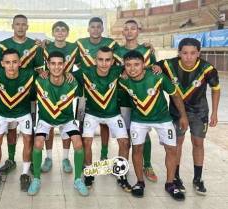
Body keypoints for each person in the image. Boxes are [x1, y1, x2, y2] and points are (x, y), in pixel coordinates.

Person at [118, 50, 188, 201]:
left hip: (163, 119)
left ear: (144, 65)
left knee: (171, 149)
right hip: (139, 120)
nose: (132, 68)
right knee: (137, 149)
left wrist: (183, 116)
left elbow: (175, 95)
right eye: (128, 65)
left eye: (137, 64)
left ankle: (170, 184)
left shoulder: (158, 76)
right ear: (124, 66)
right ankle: (139, 182)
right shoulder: (123, 80)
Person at [157, 38, 221, 195]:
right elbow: (152, 66)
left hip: (200, 112)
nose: (188, 57)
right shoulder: (168, 65)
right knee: (177, 144)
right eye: (184, 53)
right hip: (177, 113)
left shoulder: (208, 69)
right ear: (179, 53)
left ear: (198, 53)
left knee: (198, 143)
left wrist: (214, 112)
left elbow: (216, 89)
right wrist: (155, 66)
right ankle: (176, 177)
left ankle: (198, 178)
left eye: (193, 53)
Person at [28, 51, 88, 196]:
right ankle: (36, 179)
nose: (56, 67)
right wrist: (33, 120)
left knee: (78, 143)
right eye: (53, 63)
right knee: (37, 143)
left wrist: (79, 120)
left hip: (66, 119)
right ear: (47, 65)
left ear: (64, 65)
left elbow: (82, 100)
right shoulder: (39, 80)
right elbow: (32, 100)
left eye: (60, 63)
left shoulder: (72, 81)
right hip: (45, 119)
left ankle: (78, 180)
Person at [73, 46, 131, 190]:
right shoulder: (85, 72)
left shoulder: (118, 71)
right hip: (91, 114)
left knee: (124, 142)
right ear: (95, 60)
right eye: (100, 60)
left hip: (113, 114)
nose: (104, 63)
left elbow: (138, 66)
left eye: (107, 60)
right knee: (86, 141)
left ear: (113, 61)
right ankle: (89, 173)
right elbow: (64, 74)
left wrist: (156, 67)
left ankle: (121, 174)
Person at [0, 14, 44, 175]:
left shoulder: (35, 45)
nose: (20, 27)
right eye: (18, 24)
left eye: (23, 24)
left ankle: (30, 164)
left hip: (29, 94)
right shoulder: (3, 46)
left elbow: (39, 69)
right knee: (11, 129)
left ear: (27, 26)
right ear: (13, 26)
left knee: (30, 131)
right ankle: (10, 159)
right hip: (8, 94)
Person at [114, 19, 158, 182]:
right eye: (126, 29)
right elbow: (111, 70)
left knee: (144, 133)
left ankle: (147, 165)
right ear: (123, 32)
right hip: (123, 98)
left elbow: (154, 71)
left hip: (142, 98)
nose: (130, 31)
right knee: (124, 135)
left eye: (133, 28)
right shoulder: (116, 51)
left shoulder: (147, 50)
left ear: (138, 31)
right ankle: (122, 166)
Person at [0, 48, 36, 192]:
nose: (11, 66)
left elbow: (48, 73)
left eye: (15, 62)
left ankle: (25, 173)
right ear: (2, 63)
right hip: (2, 113)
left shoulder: (29, 74)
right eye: (8, 62)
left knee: (28, 139)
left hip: (23, 113)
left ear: (20, 63)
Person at [76, 17, 120, 161]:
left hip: (105, 86)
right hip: (85, 89)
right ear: (88, 29)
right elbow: (68, 55)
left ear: (102, 29)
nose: (95, 29)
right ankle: (84, 159)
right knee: (82, 122)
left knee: (105, 123)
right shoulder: (80, 43)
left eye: (98, 27)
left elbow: (124, 57)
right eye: (92, 27)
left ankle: (104, 153)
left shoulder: (111, 44)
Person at [40, 21, 79, 173]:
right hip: (48, 87)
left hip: (65, 87)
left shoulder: (74, 47)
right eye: (57, 30)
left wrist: (71, 74)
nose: (61, 32)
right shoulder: (46, 46)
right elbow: (37, 65)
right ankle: (48, 157)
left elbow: (84, 67)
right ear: (53, 32)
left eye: (64, 30)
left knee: (65, 121)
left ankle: (65, 157)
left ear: (68, 33)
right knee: (48, 122)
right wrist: (41, 72)